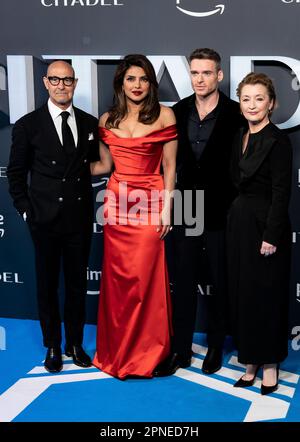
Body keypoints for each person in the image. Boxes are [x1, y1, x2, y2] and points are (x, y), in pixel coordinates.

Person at [154, 48, 245, 377]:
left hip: (223, 208)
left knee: (221, 281)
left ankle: (218, 346)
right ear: (189, 75)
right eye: (195, 73)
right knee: (183, 279)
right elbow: (168, 164)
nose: (200, 79)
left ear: (219, 76)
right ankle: (180, 350)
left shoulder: (237, 114)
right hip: (187, 206)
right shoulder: (176, 112)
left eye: (207, 73)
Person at [7, 60, 99, 373]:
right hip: (43, 220)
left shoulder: (89, 123)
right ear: (46, 83)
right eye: (56, 80)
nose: (62, 86)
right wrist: (25, 209)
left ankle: (75, 344)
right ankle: (53, 347)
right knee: (47, 285)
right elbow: (16, 174)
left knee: (76, 285)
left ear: (75, 83)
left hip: (79, 219)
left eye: (68, 80)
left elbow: (96, 165)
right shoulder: (27, 125)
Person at [90, 54, 177, 379]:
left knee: (144, 280)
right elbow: (103, 166)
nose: (137, 85)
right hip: (116, 204)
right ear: (121, 83)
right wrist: (59, 169)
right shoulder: (106, 119)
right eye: (131, 79)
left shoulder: (164, 116)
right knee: (118, 281)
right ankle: (117, 351)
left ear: (150, 84)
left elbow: (170, 167)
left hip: (151, 202)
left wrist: (169, 206)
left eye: (143, 79)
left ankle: (147, 353)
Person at [227, 73, 292, 395]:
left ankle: (270, 364)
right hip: (239, 224)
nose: (252, 105)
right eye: (246, 99)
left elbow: (282, 193)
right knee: (244, 295)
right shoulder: (239, 135)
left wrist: (272, 235)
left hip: (266, 225)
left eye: (259, 99)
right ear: (240, 104)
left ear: (271, 103)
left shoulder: (278, 141)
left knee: (267, 296)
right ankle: (250, 360)